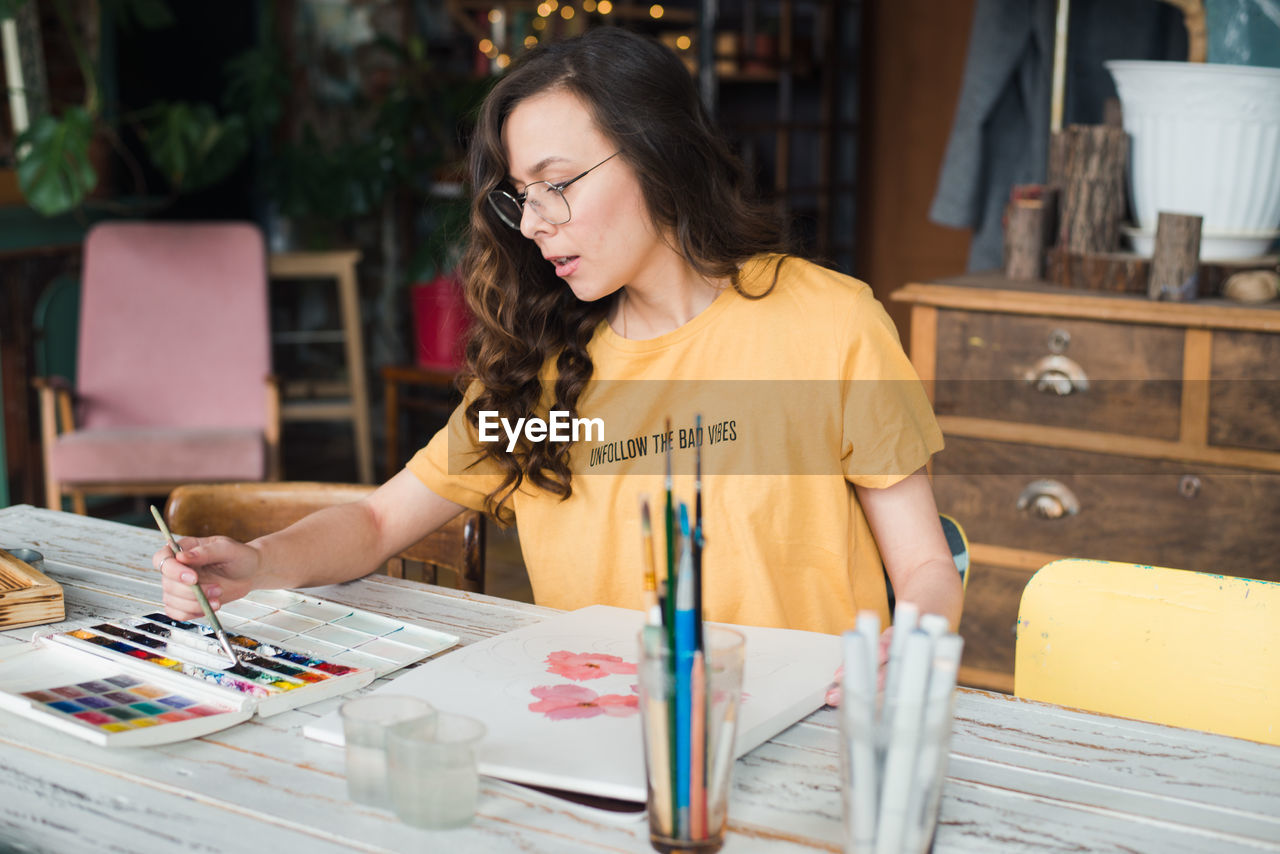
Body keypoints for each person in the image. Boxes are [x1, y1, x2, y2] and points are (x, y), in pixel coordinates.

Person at [155, 28, 961, 703]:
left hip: (810, 725)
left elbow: (926, 564)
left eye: (558, 184)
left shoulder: (831, 322)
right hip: (604, 733)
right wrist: (257, 565)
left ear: (659, 154)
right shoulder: (537, 371)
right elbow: (374, 525)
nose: (535, 223)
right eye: (519, 195)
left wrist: (908, 647)